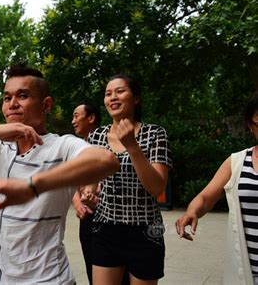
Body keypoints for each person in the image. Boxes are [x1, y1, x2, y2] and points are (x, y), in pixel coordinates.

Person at [0, 64, 119, 284]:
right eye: (7, 98)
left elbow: (107, 161)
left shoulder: (61, 146)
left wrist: (32, 186)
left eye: (23, 96)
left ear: (46, 104)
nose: (12, 104)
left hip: (45, 278)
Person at [88, 75, 172, 285]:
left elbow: (157, 187)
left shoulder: (155, 134)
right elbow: (90, 176)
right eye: (108, 94)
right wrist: (87, 192)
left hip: (145, 230)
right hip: (105, 227)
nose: (113, 98)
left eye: (120, 91)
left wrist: (132, 147)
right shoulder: (96, 136)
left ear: (136, 98)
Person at [175, 91, 258, 285]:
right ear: (251, 123)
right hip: (248, 271)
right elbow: (205, 197)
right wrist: (192, 211)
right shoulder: (237, 161)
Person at [71, 102, 101, 285]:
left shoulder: (108, 144)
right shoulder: (75, 147)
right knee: (92, 270)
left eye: (76, 116)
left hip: (109, 217)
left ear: (91, 118)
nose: (73, 121)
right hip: (87, 218)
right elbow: (71, 182)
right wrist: (78, 203)